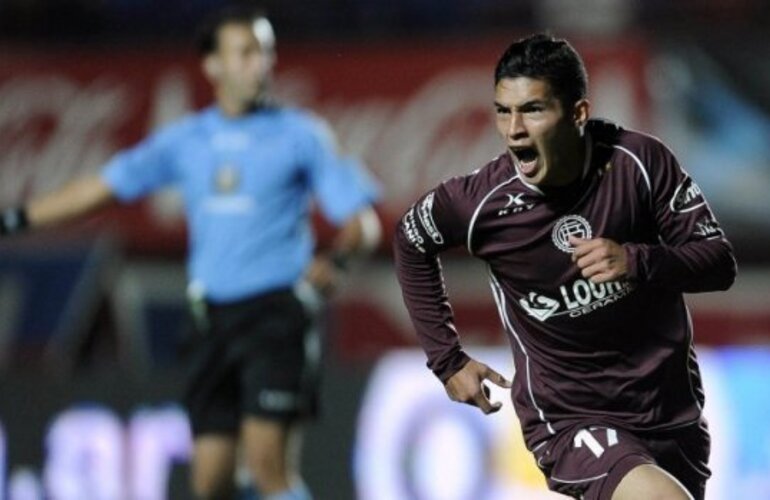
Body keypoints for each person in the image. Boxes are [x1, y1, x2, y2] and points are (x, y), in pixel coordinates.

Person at [0, 6, 381, 500]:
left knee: (270, 471)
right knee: (211, 484)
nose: (259, 64)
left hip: (277, 317)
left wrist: (339, 261)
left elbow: (363, 223)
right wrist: (17, 219)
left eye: (265, 52)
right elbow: (100, 188)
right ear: (212, 66)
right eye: (245, 52)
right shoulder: (186, 140)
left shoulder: (301, 135)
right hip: (211, 322)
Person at [393, 33, 736, 500]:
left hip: (670, 412)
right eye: (502, 110)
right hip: (571, 419)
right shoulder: (479, 204)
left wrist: (637, 259)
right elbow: (410, 242)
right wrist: (447, 359)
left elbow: (719, 263)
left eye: (533, 110)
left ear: (578, 114)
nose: (514, 129)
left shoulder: (639, 163)